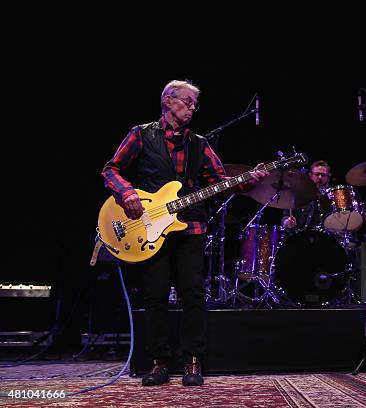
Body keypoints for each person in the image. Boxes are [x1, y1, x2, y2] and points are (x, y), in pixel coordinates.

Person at [102, 80, 268, 386]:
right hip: (148, 227)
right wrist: (127, 194)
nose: (193, 108)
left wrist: (249, 180)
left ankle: (193, 361)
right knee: (155, 295)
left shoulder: (200, 144)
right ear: (168, 101)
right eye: (188, 102)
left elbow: (220, 180)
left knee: (193, 292)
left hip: (191, 226)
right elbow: (111, 169)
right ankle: (159, 362)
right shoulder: (141, 134)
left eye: (195, 104)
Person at [281, 160, 332, 231]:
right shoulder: (299, 194)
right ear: (310, 175)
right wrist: (287, 222)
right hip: (299, 236)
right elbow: (285, 216)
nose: (320, 177)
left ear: (327, 177)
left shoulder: (331, 198)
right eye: (317, 174)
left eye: (323, 175)